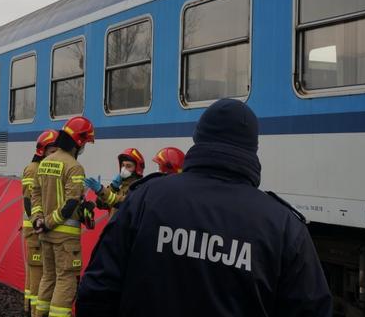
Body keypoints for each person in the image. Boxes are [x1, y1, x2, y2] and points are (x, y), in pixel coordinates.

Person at [76, 99, 332, 317]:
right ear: (253, 148)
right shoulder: (284, 227)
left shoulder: (145, 199)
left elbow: (97, 290)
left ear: (198, 138)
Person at [31, 116, 95, 317]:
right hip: (65, 238)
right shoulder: (74, 166)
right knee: (66, 280)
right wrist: (49, 223)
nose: (84, 147)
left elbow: (35, 196)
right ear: (78, 141)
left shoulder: (45, 162)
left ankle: (38, 315)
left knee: (48, 277)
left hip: (45, 236)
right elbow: (71, 203)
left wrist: (38, 221)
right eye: (85, 143)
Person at [22, 129, 59, 317]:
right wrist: (38, 225)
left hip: (36, 227)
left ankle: (30, 308)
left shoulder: (42, 168)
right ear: (42, 151)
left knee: (35, 274)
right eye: (52, 152)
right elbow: (29, 201)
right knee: (37, 274)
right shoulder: (33, 169)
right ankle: (35, 310)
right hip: (34, 230)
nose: (55, 156)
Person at [84, 148, 144, 218]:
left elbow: (122, 203)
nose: (124, 169)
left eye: (128, 166)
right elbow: (101, 205)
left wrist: (101, 190)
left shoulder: (138, 187)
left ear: (137, 169)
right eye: (123, 165)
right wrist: (113, 187)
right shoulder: (121, 187)